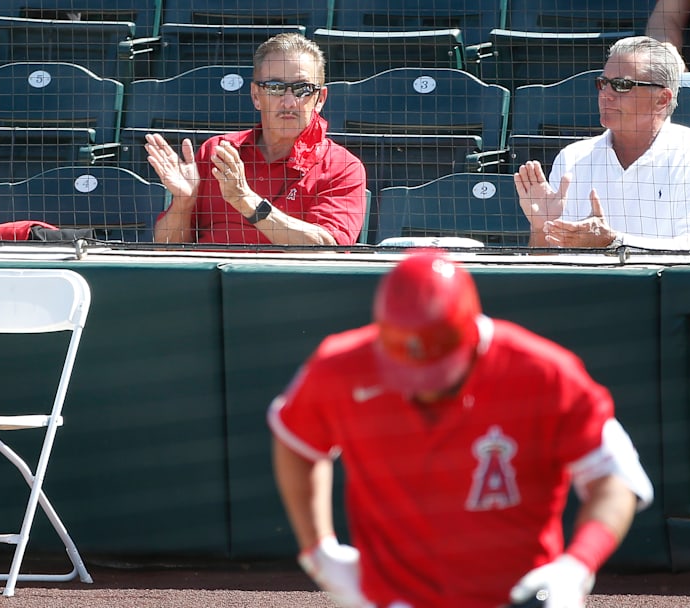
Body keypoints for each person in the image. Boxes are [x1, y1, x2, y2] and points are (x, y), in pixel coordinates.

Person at [267, 250, 654, 608]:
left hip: (516, 598)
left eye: (438, 374)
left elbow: (615, 478)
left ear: (471, 335)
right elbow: (296, 441)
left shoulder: (544, 373)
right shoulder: (341, 366)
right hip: (395, 599)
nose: (422, 387)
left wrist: (575, 568)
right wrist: (317, 552)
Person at [515, 36, 690, 251]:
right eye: (603, 83)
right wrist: (540, 229)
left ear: (662, 99)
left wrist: (614, 243)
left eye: (622, 85)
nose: (606, 95)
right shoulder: (572, 158)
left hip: (671, 289)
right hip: (585, 289)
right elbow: (546, 266)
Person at [145, 33, 367, 246]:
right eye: (275, 88)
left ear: (320, 99)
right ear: (255, 96)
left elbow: (329, 249)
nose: (289, 102)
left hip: (288, 283)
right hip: (208, 280)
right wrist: (184, 203)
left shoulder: (342, 166)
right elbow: (167, 248)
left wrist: (246, 201)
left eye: (302, 89)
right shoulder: (218, 151)